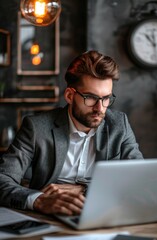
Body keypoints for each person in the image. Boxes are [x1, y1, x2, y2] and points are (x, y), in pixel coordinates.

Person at [0, 50, 143, 216]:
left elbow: (138, 181)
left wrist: (83, 189)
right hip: (48, 218)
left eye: (106, 98)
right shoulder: (36, 127)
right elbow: (3, 179)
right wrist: (40, 200)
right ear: (69, 95)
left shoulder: (119, 124)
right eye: (90, 97)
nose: (100, 108)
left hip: (104, 215)